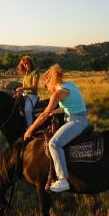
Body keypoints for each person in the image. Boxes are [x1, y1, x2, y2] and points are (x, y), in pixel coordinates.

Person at [23, 64, 88, 192]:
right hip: (81, 118)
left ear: (50, 81)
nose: (47, 89)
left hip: (76, 122)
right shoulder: (70, 85)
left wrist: (30, 129)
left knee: (54, 143)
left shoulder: (57, 93)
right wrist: (56, 111)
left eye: (46, 85)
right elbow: (71, 106)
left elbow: (44, 114)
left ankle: (63, 180)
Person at [15, 56, 40, 127]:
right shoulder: (26, 74)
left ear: (31, 63)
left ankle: (30, 129)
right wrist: (20, 92)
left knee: (27, 111)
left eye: (28, 63)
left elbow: (34, 87)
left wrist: (22, 88)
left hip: (32, 96)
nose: (27, 65)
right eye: (25, 64)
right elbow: (24, 88)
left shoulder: (35, 72)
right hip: (25, 95)